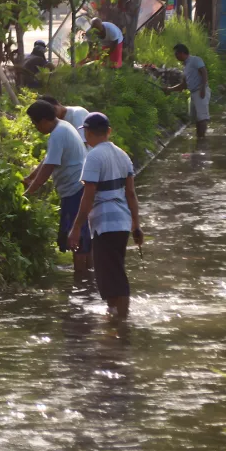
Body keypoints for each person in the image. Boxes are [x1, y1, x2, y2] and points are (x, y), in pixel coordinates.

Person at [68, 112, 143, 320]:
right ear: (108, 132)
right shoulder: (123, 155)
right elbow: (130, 194)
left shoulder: (93, 157)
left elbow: (88, 196)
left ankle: (120, 321)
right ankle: (116, 315)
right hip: (122, 222)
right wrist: (136, 225)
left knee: (111, 274)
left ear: (89, 133)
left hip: (104, 223)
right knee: (113, 271)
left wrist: (76, 228)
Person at [23, 101, 92, 274]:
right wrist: (30, 178)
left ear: (44, 120)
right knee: (82, 233)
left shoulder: (58, 134)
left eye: (35, 123)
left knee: (77, 238)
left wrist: (29, 193)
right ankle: (89, 274)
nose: (35, 127)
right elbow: (48, 159)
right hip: (79, 188)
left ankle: (81, 280)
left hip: (75, 190)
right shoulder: (63, 126)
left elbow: (49, 167)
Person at [167, 43, 210, 138]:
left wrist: (203, 88)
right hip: (193, 93)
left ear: (182, 53)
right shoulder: (186, 66)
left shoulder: (195, 60)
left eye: (176, 54)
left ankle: (202, 141)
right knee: (196, 118)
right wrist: (169, 89)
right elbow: (184, 85)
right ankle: (200, 138)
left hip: (200, 91)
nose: (176, 57)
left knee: (202, 118)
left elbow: (204, 72)